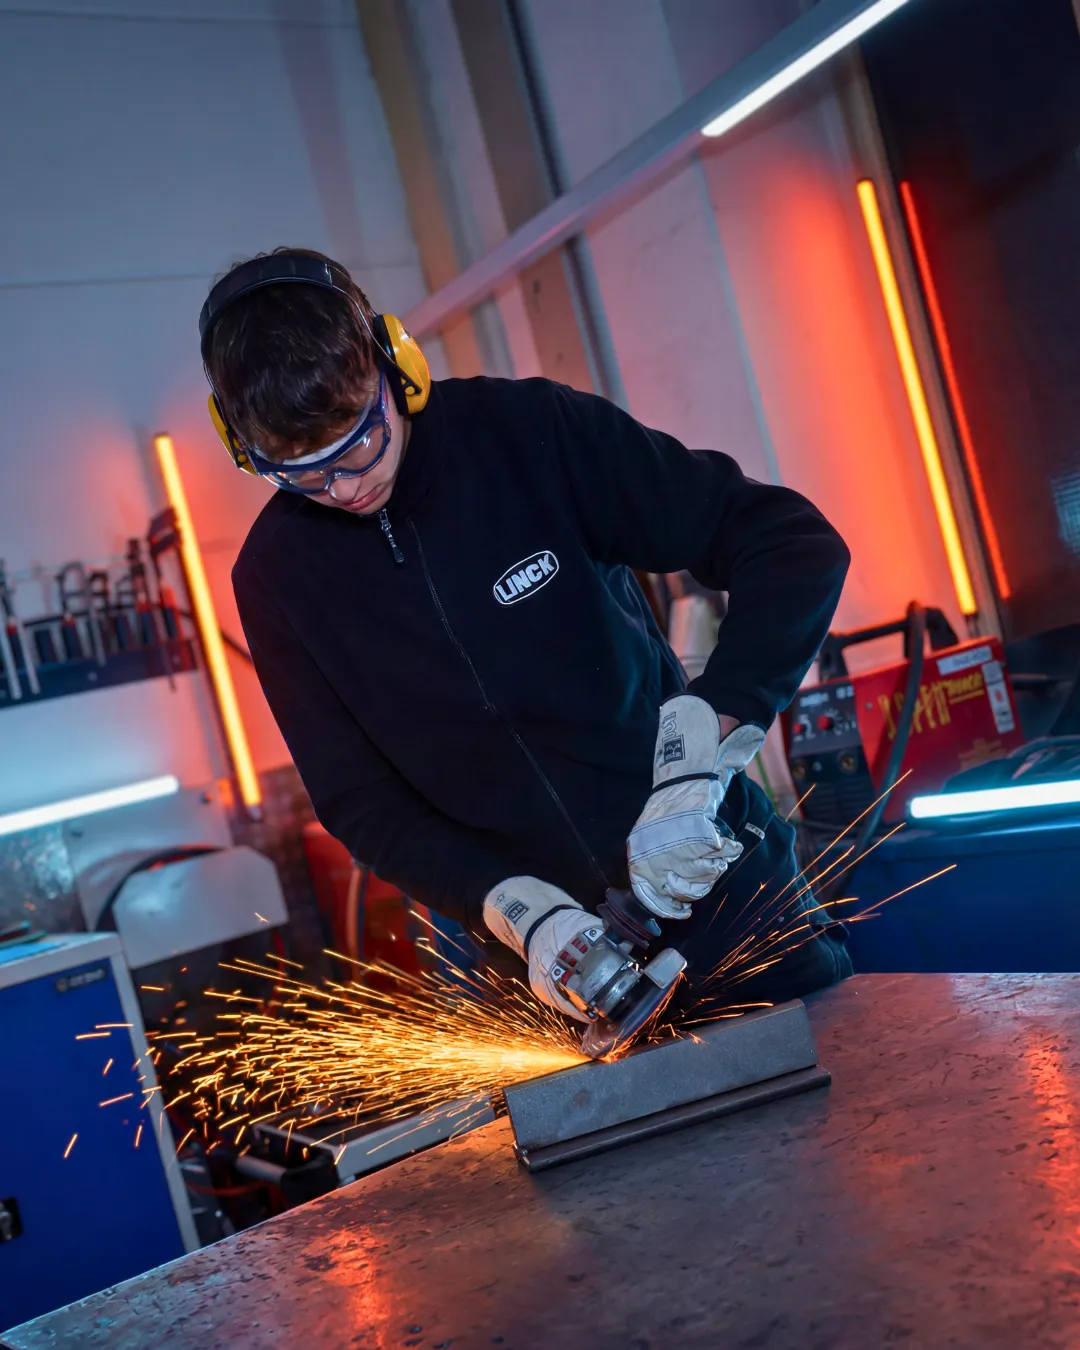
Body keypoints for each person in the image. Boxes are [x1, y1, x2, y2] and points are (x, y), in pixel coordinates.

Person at [202, 248, 852, 1027]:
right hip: (562, 983)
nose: (344, 487)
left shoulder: (530, 434)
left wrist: (704, 746)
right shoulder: (276, 579)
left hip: (731, 901)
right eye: (303, 473)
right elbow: (361, 802)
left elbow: (789, 543)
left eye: (362, 442)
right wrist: (516, 910)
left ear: (395, 364)